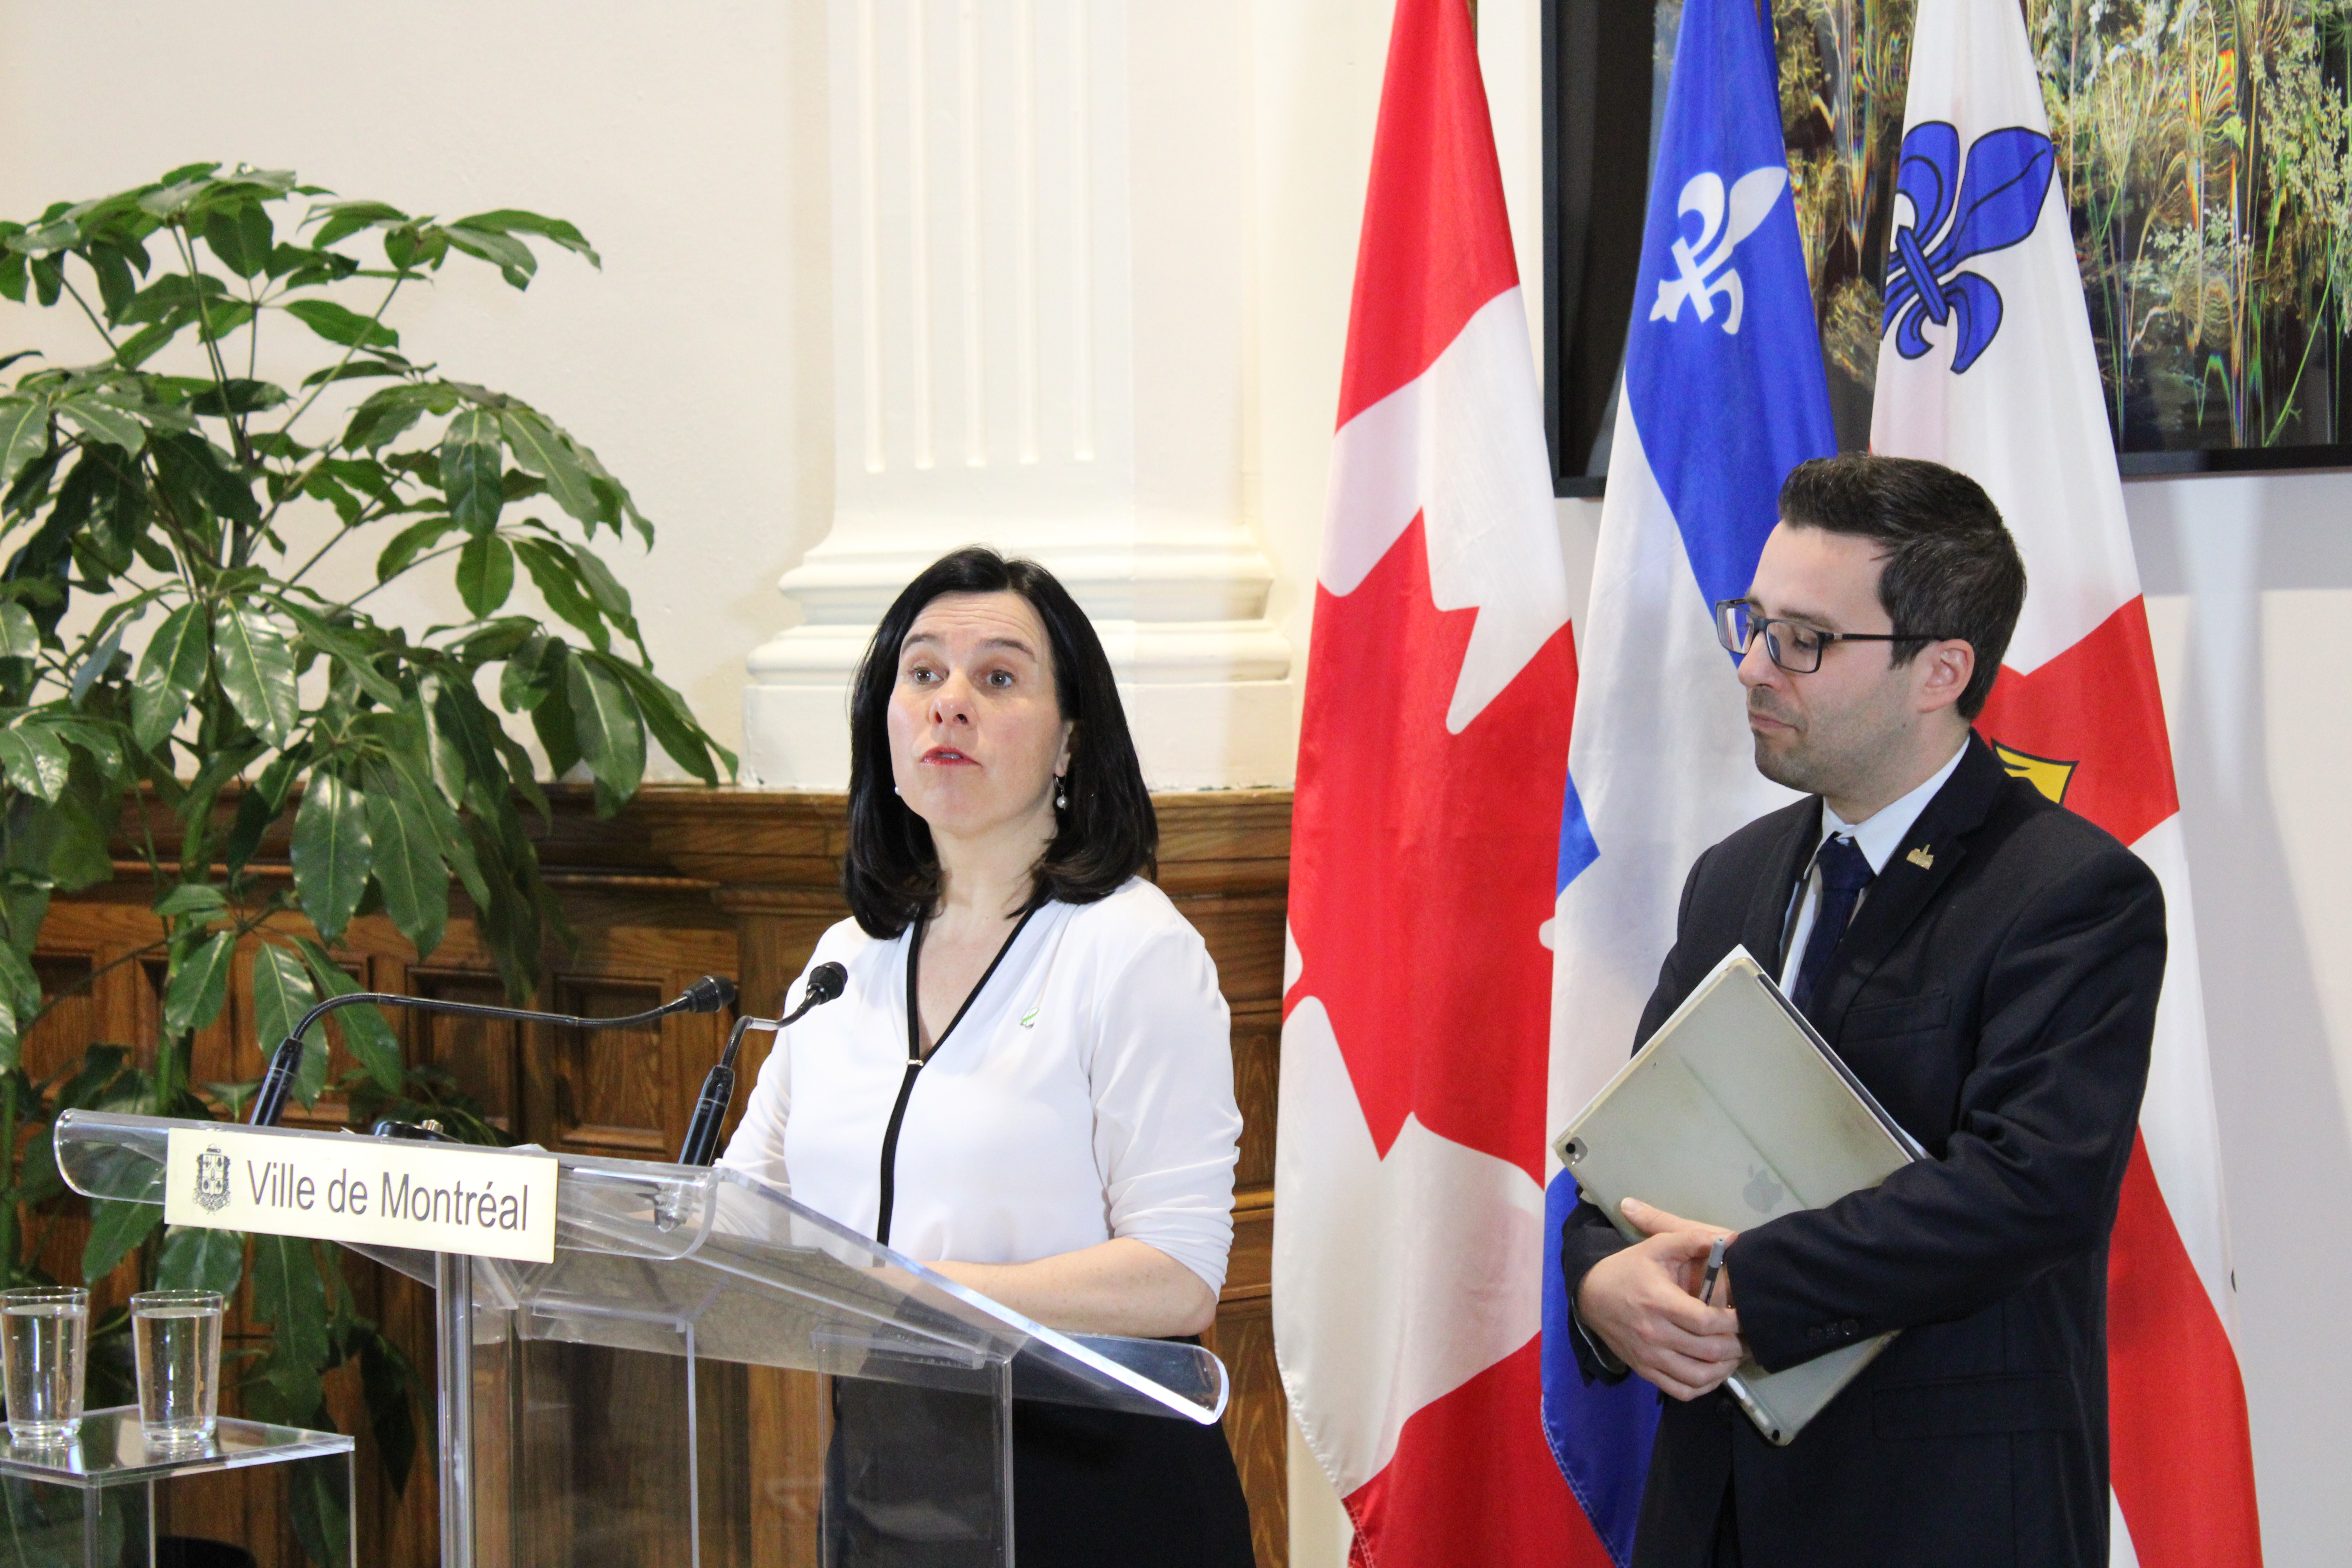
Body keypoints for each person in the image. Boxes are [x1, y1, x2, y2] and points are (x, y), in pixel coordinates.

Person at [1558, 454, 2165, 1568]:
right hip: (1713, 1513)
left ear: (1941, 670)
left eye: (1805, 639)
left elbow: (2030, 1194)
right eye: (1754, 622)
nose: (1752, 665)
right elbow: (1639, 1145)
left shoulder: (2072, 895)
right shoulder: (1733, 878)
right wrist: (1601, 1279)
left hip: (1940, 1514)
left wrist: (1733, 1279)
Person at [720, 546, 1253, 1568]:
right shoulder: (846, 961)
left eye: (998, 678)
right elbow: (746, 1209)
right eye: (921, 674)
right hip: (891, 1474)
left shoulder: (1132, 948)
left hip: (1096, 1487)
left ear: (1069, 742)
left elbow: (1178, 1279)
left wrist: (918, 1285)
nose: (949, 703)